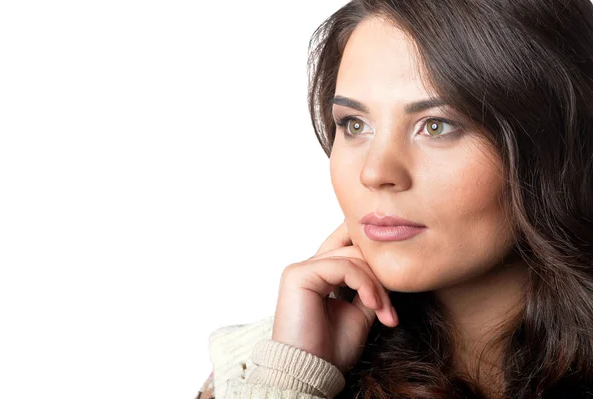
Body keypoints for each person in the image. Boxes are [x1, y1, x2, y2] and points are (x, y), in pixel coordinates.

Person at [198, 0, 593, 398]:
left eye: (437, 126)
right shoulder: (258, 371)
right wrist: (293, 380)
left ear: (555, 144)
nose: (375, 172)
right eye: (354, 125)